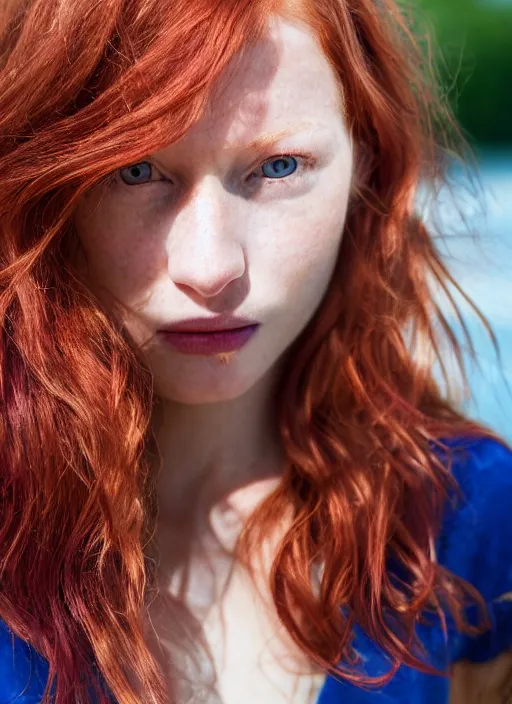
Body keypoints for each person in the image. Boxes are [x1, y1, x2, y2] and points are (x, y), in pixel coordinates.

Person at [0, 0, 511, 702]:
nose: (210, 267)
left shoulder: (466, 522)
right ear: (43, 190)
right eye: (135, 170)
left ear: (368, 166)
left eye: (278, 166)